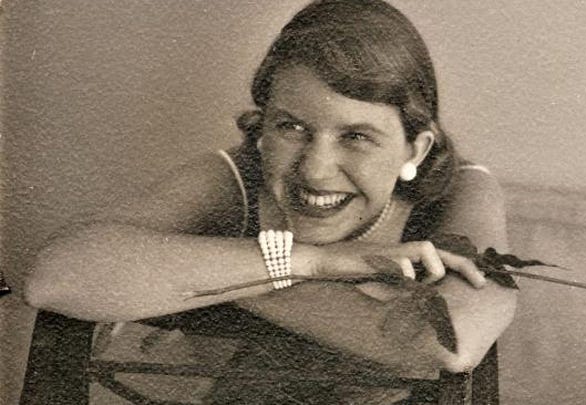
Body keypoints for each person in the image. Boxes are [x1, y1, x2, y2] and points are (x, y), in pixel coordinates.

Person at [23, 0, 517, 402]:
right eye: (292, 127)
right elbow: (55, 277)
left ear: (416, 148)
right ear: (263, 130)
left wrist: (209, 276)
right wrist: (315, 262)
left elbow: (448, 343)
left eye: (357, 137)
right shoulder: (237, 177)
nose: (316, 168)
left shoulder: (460, 192)